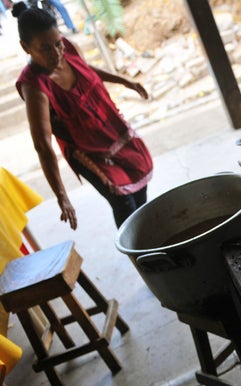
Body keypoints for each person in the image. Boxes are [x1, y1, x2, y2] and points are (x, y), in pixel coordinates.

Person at [13, 1, 153, 229]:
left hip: (111, 130)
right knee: (123, 203)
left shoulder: (67, 47)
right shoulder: (35, 86)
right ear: (25, 47)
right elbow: (42, 145)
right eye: (45, 48)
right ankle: (140, 254)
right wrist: (62, 196)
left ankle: (150, 244)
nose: (56, 53)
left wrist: (125, 81)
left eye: (57, 44)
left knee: (139, 185)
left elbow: (86, 70)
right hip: (86, 150)